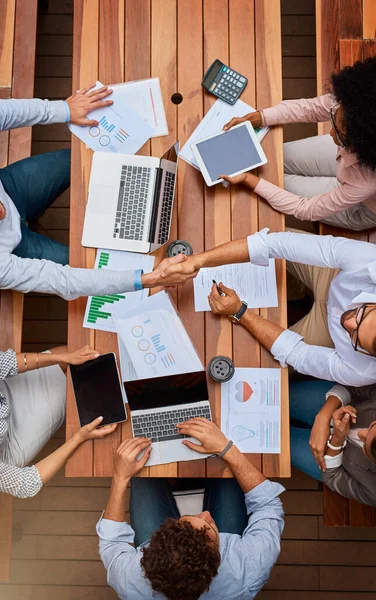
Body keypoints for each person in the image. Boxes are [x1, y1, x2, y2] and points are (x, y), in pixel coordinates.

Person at [0, 85, 197, 299]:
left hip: (9, 188)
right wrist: (149, 279)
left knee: (79, 161)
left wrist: (63, 109)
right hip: (15, 247)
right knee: (85, 265)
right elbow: (64, 280)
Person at [97, 419, 284, 600]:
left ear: (158, 537)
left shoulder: (129, 581)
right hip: (234, 562)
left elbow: (112, 542)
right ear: (217, 560)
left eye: (191, 519)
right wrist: (225, 448)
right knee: (230, 470)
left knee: (140, 466)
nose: (207, 514)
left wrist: (120, 477)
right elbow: (268, 505)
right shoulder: (249, 567)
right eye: (209, 526)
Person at [161, 228, 376, 386]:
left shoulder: (364, 370)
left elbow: (296, 353)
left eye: (355, 338)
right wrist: (198, 261)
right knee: (272, 237)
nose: (347, 322)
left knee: (257, 361)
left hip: (328, 333)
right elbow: (276, 244)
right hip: (332, 274)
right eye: (362, 314)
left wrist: (240, 312)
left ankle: (297, 297)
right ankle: (296, 293)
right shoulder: (370, 262)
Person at [221, 57, 376, 231]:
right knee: (273, 159)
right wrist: (258, 117)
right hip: (353, 163)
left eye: (340, 134)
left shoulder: (365, 182)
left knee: (273, 180)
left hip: (361, 204)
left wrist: (249, 179)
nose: (330, 132)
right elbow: (310, 108)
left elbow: (304, 208)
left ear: (359, 145)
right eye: (335, 120)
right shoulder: (354, 103)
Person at [0, 345, 117, 498]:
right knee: (75, 383)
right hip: (8, 440)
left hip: (2, 392)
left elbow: (4, 362)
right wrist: (78, 437)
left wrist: (63, 357)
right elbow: (26, 483)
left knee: (76, 353)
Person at [289, 378, 376, 506]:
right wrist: (323, 416)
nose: (360, 433)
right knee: (279, 396)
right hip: (337, 402)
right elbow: (354, 385)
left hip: (330, 460)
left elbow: (332, 478)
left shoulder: (373, 491)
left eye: (365, 449)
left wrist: (336, 441)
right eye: (372, 426)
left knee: (273, 446)